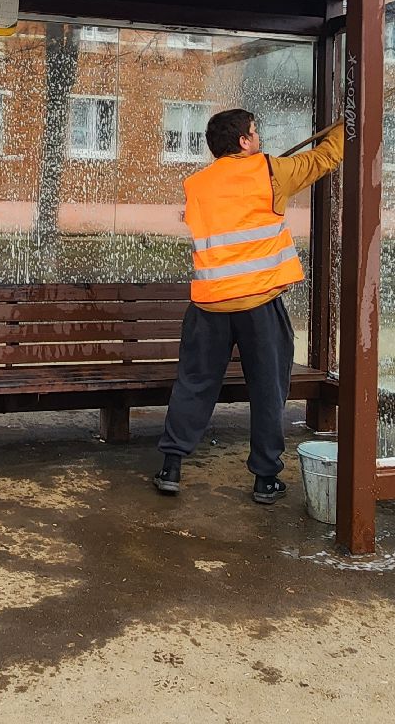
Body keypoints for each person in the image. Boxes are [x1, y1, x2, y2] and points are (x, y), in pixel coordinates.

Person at [153, 109, 343, 504]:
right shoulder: (273, 171)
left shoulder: (196, 184)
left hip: (208, 307)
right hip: (259, 304)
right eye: (255, 132)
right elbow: (325, 157)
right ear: (243, 141)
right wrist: (349, 124)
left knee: (194, 384)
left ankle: (171, 466)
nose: (259, 137)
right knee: (268, 388)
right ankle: (265, 479)